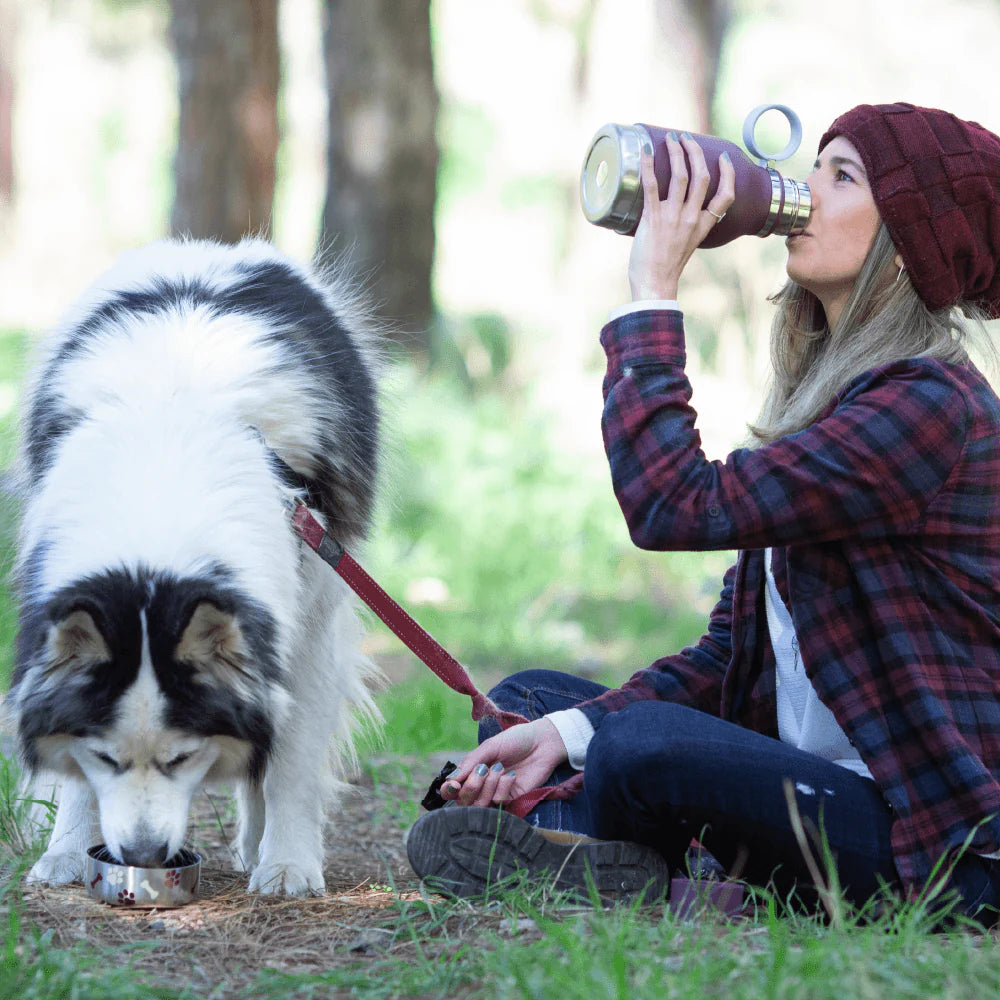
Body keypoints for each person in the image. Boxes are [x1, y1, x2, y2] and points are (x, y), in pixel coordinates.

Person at [406, 103, 1000, 920]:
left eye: (843, 176)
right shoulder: (834, 402)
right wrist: (565, 733)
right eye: (815, 164)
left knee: (639, 746)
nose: (805, 189)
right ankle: (607, 852)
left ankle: (607, 846)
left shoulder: (928, 407)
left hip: (927, 838)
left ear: (911, 244)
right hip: (812, 784)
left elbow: (672, 505)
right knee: (533, 702)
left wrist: (654, 291)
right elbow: (729, 660)